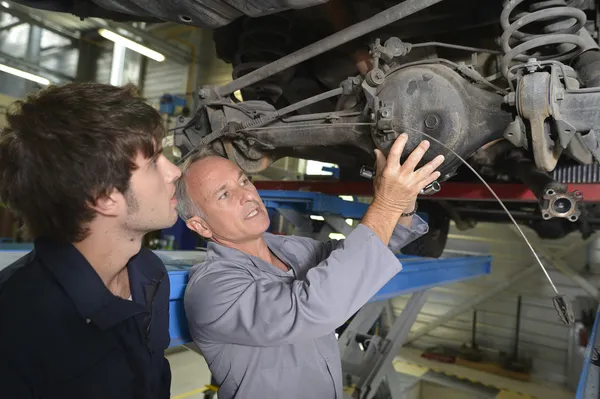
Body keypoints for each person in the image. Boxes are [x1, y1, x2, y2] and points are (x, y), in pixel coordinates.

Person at [175, 133, 445, 399]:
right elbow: (313, 307)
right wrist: (386, 203)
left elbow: (362, 254)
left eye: (243, 181)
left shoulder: (292, 248)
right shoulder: (211, 289)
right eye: (224, 195)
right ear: (200, 225)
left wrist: (404, 206)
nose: (246, 196)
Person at [0, 83, 181, 398]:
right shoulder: (15, 325)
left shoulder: (149, 273)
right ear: (104, 197)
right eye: (154, 162)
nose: (175, 172)